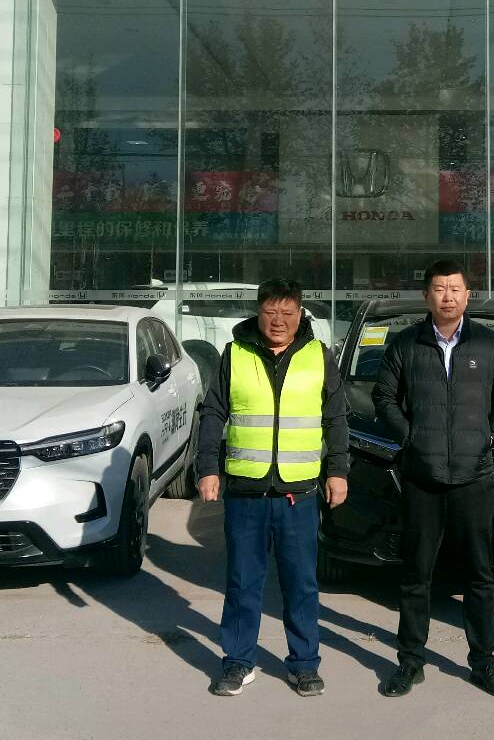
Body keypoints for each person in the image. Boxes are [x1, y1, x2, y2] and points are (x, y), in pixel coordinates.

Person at [372, 259, 494, 699]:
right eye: (440, 289)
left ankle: (484, 662)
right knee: (415, 575)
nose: (448, 296)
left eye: (455, 288)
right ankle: (410, 661)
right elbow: (384, 396)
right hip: (422, 476)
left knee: (479, 575)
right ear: (427, 295)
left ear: (467, 295)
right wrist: (410, 437)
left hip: (474, 476)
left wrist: (493, 434)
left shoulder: (488, 343)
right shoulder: (406, 344)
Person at [196, 278, 349, 697]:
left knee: (301, 584)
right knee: (242, 581)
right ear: (258, 311)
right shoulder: (235, 353)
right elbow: (213, 412)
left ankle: (303, 663)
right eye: (270, 312)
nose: (278, 321)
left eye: (287, 312)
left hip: (298, 494)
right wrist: (207, 467)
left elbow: (336, 418)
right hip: (246, 492)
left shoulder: (319, 356)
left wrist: (338, 470)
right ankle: (238, 661)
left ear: (300, 314)